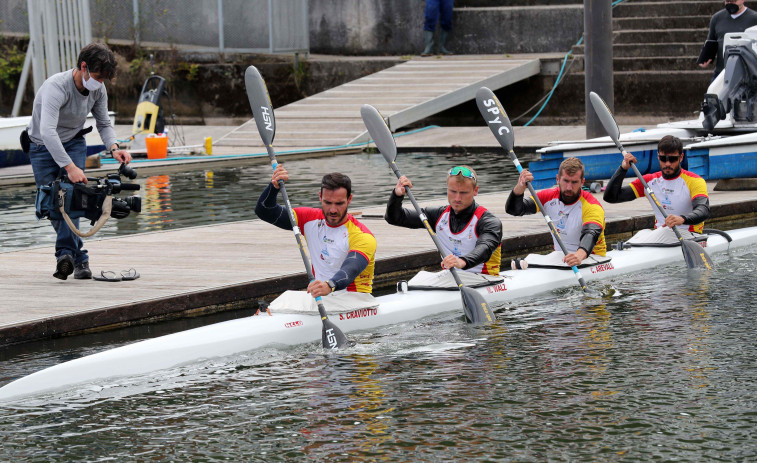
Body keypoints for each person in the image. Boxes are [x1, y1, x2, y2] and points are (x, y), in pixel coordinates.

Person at [27, 42, 132, 280]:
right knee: (52, 205)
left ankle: (66, 256)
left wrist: (114, 148)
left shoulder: (98, 89)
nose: (100, 82)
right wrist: (70, 167)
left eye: (104, 79)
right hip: (41, 146)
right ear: (83, 67)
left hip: (73, 142)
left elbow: (104, 124)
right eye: (97, 76)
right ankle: (80, 258)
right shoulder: (56, 87)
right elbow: (48, 132)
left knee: (72, 198)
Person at [255, 166, 377, 312]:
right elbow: (264, 211)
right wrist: (273, 187)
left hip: (354, 300)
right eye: (327, 202)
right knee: (284, 299)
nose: (332, 210)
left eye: (339, 204)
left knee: (283, 302)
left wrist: (329, 285)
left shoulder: (362, 236)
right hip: (321, 297)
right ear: (320, 197)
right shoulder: (308, 219)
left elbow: (350, 270)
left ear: (349, 199)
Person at [385, 165, 502, 275]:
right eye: (453, 191)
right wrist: (397, 195)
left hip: (484, 278)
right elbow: (395, 218)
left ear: (475, 191)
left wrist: (462, 262)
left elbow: (485, 248)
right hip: (450, 278)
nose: (457, 198)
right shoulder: (438, 216)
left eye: (463, 193)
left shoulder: (489, 222)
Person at [603, 135, 710, 244]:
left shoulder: (695, 181)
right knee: (643, 232)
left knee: (664, 232)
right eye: (663, 159)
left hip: (689, 236)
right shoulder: (648, 181)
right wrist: (623, 169)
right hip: (661, 235)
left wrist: (682, 219)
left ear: (681, 157)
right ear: (658, 157)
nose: (667, 164)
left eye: (672, 159)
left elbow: (703, 210)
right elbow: (611, 197)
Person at [506, 157, 606, 267]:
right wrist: (520, 187)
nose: (569, 187)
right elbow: (514, 210)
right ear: (558, 179)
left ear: (582, 182)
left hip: (590, 258)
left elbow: (591, 233)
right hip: (560, 258)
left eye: (574, 182)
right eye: (566, 181)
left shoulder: (592, 206)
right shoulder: (547, 197)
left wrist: (579, 254)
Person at [699, 0, 757, 79]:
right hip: (721, 73)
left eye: (733, 1)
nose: (730, 4)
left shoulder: (754, 18)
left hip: (748, 75)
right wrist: (704, 58)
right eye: (727, 1)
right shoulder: (717, 18)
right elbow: (711, 41)